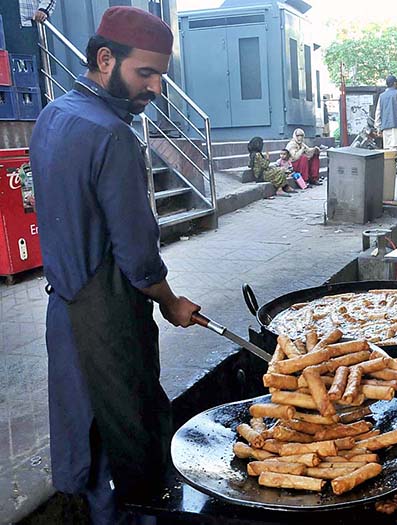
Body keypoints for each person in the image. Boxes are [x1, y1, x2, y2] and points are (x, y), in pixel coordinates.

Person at [29, 7, 200, 523]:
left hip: (64, 308)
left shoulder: (52, 116)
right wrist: (171, 303)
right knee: (131, 429)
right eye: (144, 73)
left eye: (161, 76)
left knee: (88, 427)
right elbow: (137, 253)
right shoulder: (114, 136)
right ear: (105, 59)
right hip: (108, 315)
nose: (154, 88)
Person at [374, 74, 397, 174]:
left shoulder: (382, 96)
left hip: (385, 126)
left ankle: (388, 167)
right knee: (395, 147)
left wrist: (377, 125)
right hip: (396, 124)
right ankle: (395, 167)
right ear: (394, 83)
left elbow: (378, 111)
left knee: (387, 148)